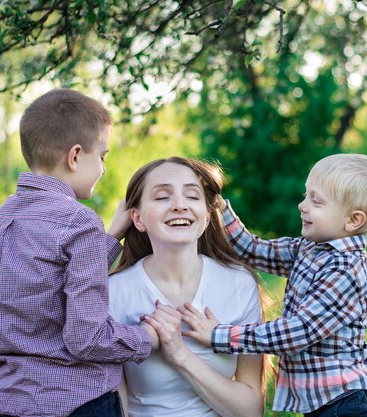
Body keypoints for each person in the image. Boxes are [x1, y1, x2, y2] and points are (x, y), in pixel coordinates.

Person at [0, 89, 157, 417]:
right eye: (101, 156)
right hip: (78, 402)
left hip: (11, 400)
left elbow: (49, 279)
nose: (103, 168)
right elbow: (87, 339)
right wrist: (147, 337)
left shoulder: (4, 216)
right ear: (75, 157)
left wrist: (112, 235)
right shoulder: (80, 221)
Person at [181, 153, 367, 417]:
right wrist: (217, 205)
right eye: (307, 195)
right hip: (326, 402)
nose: (302, 205)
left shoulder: (346, 268)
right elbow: (252, 250)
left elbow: (297, 332)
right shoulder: (309, 248)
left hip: (349, 401)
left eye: (316, 201)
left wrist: (220, 336)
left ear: (353, 220)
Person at [108, 157, 265, 417]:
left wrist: (179, 354)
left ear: (206, 218)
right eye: (162, 197)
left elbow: (251, 411)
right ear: (138, 218)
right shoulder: (114, 291)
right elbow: (116, 409)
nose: (180, 205)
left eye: (192, 196)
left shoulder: (239, 284)